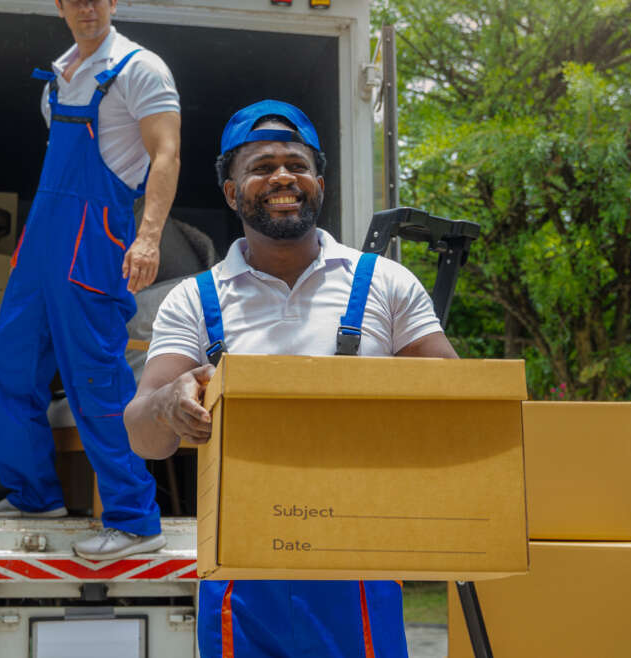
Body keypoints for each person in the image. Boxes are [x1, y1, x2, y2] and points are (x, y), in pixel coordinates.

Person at [124, 100, 458, 657]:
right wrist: (168, 403)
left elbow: (457, 405)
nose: (282, 177)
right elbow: (142, 436)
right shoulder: (194, 299)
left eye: (297, 165)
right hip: (240, 576)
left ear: (319, 185)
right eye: (261, 167)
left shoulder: (386, 283)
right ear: (232, 192)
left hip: (360, 567)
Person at [0, 0, 180, 561]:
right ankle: (33, 494)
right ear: (60, 6)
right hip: (43, 242)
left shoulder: (140, 68)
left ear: (113, 2)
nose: (87, 6)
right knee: (9, 364)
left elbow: (165, 155)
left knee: (95, 377)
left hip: (93, 241)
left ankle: (135, 521)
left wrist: (148, 237)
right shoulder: (58, 77)